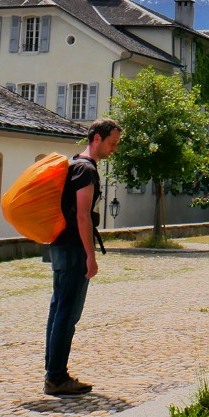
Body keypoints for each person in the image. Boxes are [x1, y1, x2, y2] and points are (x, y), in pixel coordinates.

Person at [44, 117, 121, 395]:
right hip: (74, 249)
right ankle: (56, 377)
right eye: (112, 143)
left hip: (59, 245)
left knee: (58, 310)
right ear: (96, 139)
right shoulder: (86, 171)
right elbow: (83, 216)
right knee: (67, 313)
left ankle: (53, 370)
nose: (114, 149)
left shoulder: (73, 164)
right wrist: (91, 255)